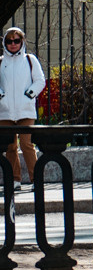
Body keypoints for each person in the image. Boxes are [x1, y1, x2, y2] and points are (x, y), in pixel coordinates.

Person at [0, 26, 44, 206]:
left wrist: (30, 94)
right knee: (10, 146)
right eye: (9, 41)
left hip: (25, 110)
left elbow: (40, 80)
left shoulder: (30, 60)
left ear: (22, 42)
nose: (13, 44)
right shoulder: (1, 61)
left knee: (27, 144)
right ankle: (15, 180)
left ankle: (36, 179)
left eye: (16, 40)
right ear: (5, 43)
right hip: (5, 111)